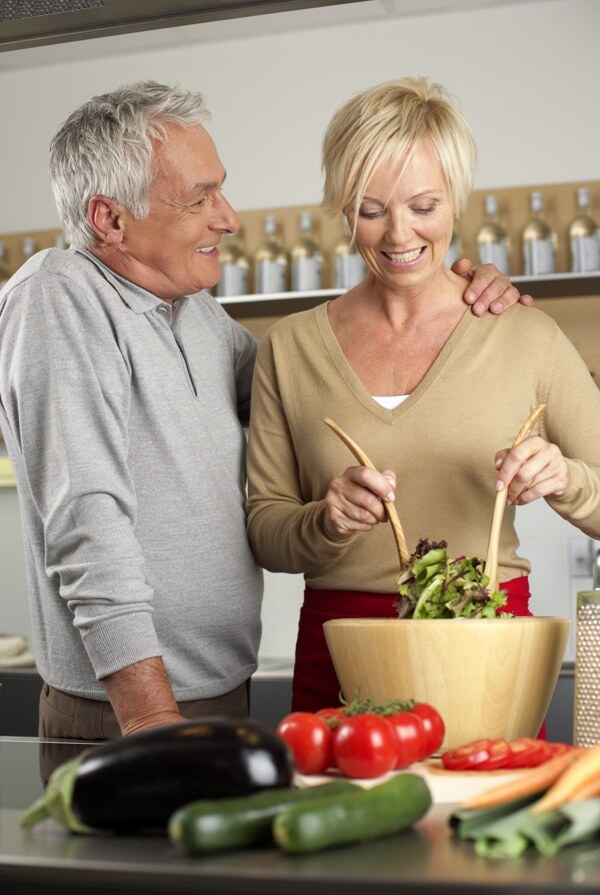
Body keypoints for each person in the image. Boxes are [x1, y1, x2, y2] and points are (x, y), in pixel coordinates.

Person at [0, 81, 527, 742]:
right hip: (125, 711)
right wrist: (149, 713)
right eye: (199, 199)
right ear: (109, 220)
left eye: (220, 189)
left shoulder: (193, 312)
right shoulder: (60, 298)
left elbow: (310, 387)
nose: (228, 218)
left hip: (216, 694)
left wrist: (442, 296)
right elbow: (86, 518)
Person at [246, 77, 600, 715]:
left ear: (457, 201)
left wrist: (566, 477)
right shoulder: (289, 347)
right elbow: (265, 530)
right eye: (371, 208)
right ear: (341, 207)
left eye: (424, 206)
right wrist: (324, 520)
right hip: (341, 649)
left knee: (487, 814)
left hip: (488, 645)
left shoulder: (525, 335)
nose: (398, 233)